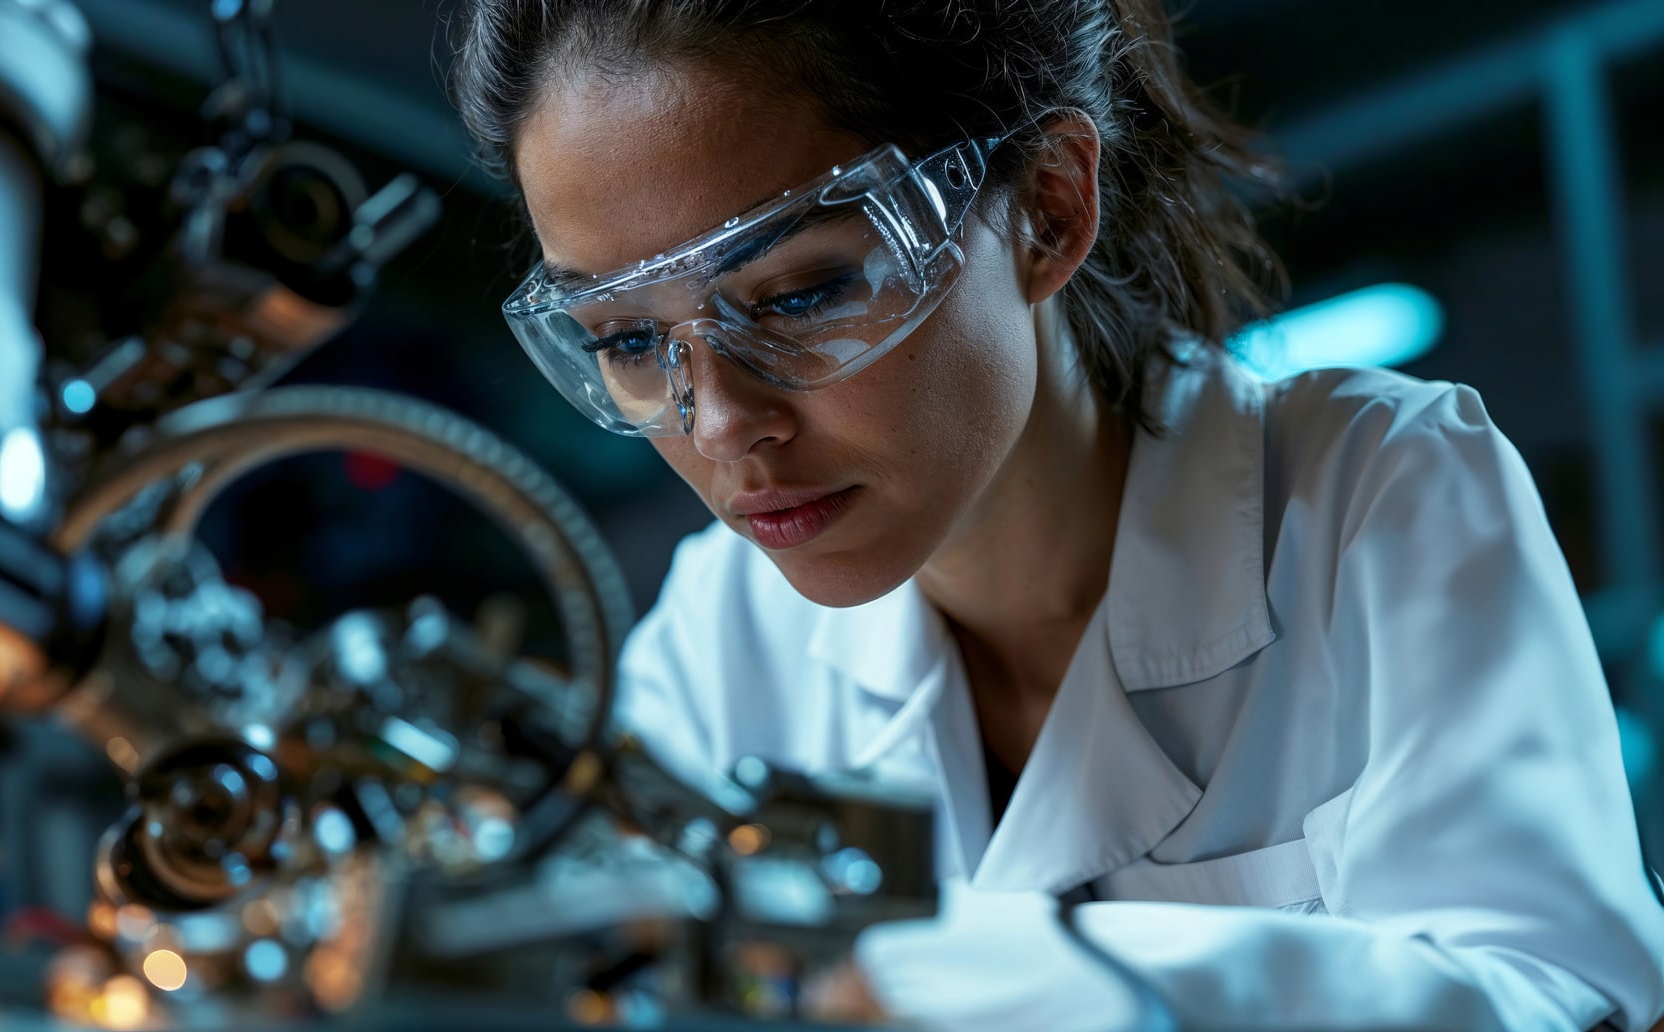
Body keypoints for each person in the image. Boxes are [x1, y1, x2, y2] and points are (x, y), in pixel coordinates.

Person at [446, 0, 1664, 1028]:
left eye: (803, 291)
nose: (719, 424)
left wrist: (966, 978)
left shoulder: (1368, 489)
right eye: (625, 341)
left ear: (1046, 207)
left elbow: (1564, 996)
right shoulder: (728, 634)